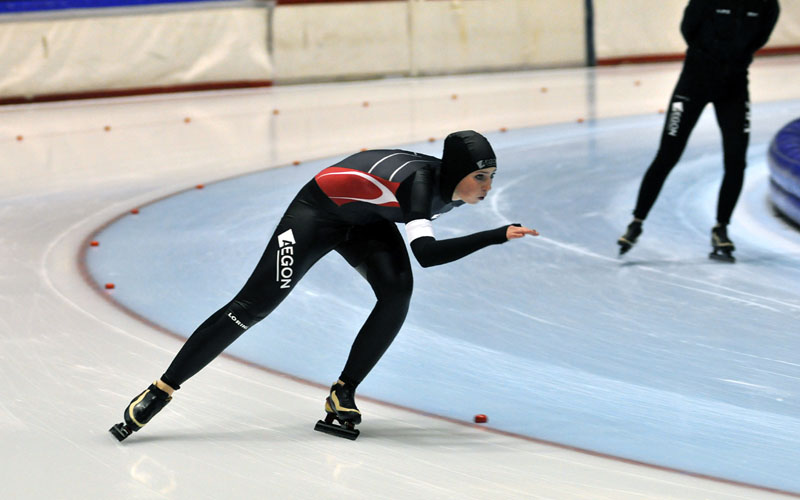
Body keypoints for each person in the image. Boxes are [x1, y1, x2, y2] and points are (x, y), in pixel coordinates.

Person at [110, 130, 538, 441]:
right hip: (316, 214)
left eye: (492, 177)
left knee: (396, 294)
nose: (488, 186)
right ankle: (161, 390)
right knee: (253, 306)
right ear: (459, 172)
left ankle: (343, 392)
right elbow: (427, 255)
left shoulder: (449, 186)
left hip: (366, 221)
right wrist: (495, 235)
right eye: (481, 177)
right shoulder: (423, 187)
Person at [618, 0, 780, 261]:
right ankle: (636, 221)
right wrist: (710, 56)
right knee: (668, 154)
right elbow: (688, 29)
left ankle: (721, 228)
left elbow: (759, 37)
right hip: (694, 83)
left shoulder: (767, 4)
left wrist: (734, 60)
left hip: (735, 87)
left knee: (736, 160)